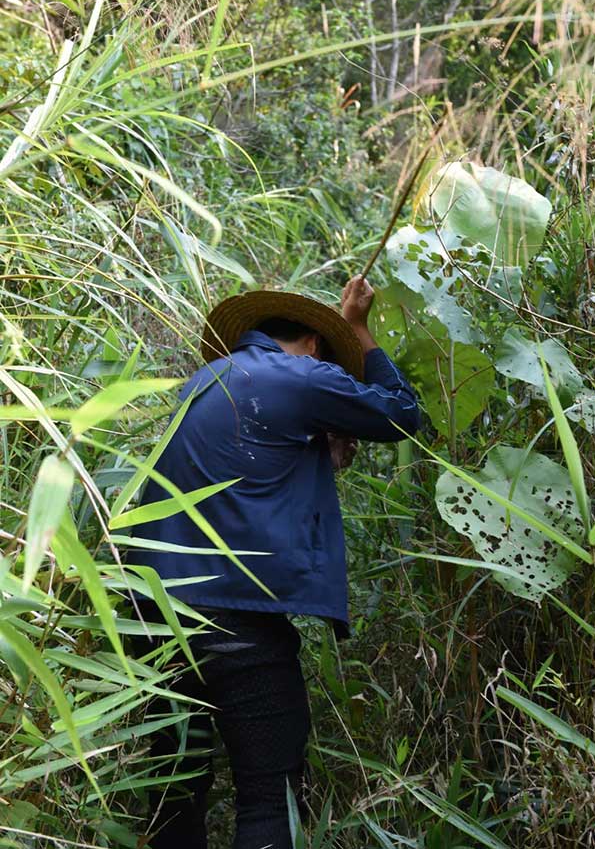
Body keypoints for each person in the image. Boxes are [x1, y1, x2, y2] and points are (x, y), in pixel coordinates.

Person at [128, 274, 420, 849]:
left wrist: (318, 447)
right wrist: (358, 327)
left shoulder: (206, 379)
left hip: (150, 607)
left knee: (175, 785)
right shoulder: (301, 374)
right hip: (231, 613)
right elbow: (400, 414)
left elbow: (250, 470)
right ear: (314, 344)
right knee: (269, 792)